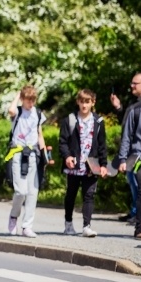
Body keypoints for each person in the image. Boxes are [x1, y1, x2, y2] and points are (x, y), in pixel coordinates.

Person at [59, 89, 108, 238]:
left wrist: (103, 164)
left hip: (91, 165)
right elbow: (62, 142)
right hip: (74, 165)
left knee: (89, 195)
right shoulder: (70, 120)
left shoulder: (98, 122)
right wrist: (67, 156)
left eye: (87, 102)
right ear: (78, 102)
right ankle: (68, 224)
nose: (84, 105)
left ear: (93, 103)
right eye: (82, 102)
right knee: (71, 194)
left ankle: (87, 226)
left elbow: (102, 145)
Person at [5, 85, 47, 238]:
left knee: (32, 192)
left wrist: (45, 156)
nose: (31, 103)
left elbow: (39, 135)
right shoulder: (18, 112)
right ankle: (13, 216)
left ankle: (27, 226)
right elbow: (10, 110)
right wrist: (18, 95)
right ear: (23, 99)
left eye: (33, 100)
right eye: (28, 100)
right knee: (20, 191)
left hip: (33, 155)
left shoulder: (38, 113)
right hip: (18, 153)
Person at [111, 73, 141, 223]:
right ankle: (136, 211)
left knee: (139, 183)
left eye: (135, 83)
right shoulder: (135, 103)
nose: (131, 86)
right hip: (132, 151)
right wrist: (118, 107)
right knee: (133, 181)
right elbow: (127, 123)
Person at [118, 77, 141, 239]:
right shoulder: (136, 112)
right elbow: (126, 137)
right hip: (139, 160)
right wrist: (122, 159)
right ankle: (139, 228)